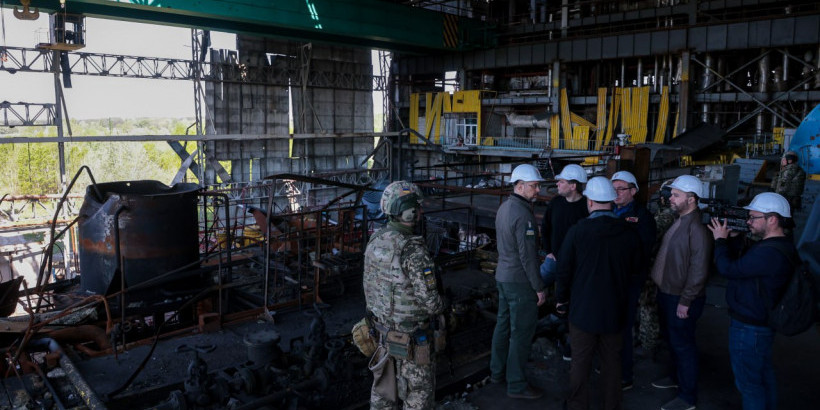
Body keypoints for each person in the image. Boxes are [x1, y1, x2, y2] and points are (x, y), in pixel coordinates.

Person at [555, 177, 643, 410]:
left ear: (590, 202)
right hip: (615, 310)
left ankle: (577, 405)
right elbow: (636, 269)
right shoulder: (629, 233)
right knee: (612, 362)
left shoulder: (577, 232)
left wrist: (561, 300)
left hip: (582, 311)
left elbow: (563, 271)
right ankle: (611, 405)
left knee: (580, 362)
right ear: (612, 202)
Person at [707, 192, 797, 410]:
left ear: (772, 219)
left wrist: (720, 241)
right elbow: (748, 264)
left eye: (753, 217)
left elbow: (729, 269)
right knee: (763, 377)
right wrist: (735, 238)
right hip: (760, 324)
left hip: (749, 328)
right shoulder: (778, 246)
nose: (748, 222)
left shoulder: (769, 253)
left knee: (749, 384)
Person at [363, 180, 444, 410]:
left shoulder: (376, 240)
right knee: (418, 398)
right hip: (412, 342)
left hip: (382, 336)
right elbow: (431, 304)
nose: (420, 212)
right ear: (408, 212)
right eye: (417, 207)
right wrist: (443, 305)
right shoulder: (413, 249)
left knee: (383, 397)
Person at [650, 175, 712, 410]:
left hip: (680, 298)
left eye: (676, 195)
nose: (671, 198)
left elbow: (699, 270)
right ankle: (676, 378)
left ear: (692, 199)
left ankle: (687, 397)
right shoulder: (681, 220)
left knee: (683, 346)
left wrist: (686, 301)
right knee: (673, 341)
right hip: (668, 293)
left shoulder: (697, 229)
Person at [490, 163, 547, 400]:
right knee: (521, 333)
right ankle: (516, 385)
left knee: (502, 326)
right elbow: (528, 257)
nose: (538, 190)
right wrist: (539, 287)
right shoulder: (524, 215)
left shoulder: (504, 207)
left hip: (503, 276)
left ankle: (497, 373)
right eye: (534, 186)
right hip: (519, 282)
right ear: (520, 186)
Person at [611, 171, 657, 390]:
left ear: (633, 191)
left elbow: (643, 251)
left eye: (621, 189)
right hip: (610, 277)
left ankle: (624, 374)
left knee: (623, 326)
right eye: (613, 189)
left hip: (629, 279)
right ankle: (610, 364)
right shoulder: (608, 210)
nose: (616, 193)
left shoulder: (643, 218)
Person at [540, 163, 589, 288]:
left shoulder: (587, 206)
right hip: (553, 260)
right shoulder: (555, 203)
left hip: (576, 263)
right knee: (536, 287)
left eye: (561, 181)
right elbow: (545, 227)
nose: (557, 184)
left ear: (573, 186)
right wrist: (548, 252)